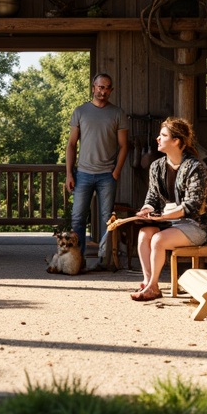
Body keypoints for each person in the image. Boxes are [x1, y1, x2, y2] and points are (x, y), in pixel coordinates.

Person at [129, 117, 207, 301]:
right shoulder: (156, 166)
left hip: (196, 225)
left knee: (158, 239)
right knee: (144, 234)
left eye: (163, 135)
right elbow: (153, 197)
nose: (157, 138)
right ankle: (150, 283)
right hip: (171, 222)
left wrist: (163, 217)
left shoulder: (195, 167)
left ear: (176, 141)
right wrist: (147, 209)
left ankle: (151, 287)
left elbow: (192, 205)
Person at [65, 71, 128, 270]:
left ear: (111, 90)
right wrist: (69, 173)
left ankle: (104, 260)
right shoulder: (80, 111)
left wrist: (116, 171)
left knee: (106, 219)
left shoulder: (117, 113)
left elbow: (124, 146)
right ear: (93, 88)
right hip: (83, 173)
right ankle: (77, 260)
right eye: (100, 87)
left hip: (107, 175)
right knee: (77, 217)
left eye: (107, 88)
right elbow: (71, 145)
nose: (103, 91)